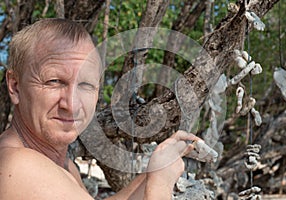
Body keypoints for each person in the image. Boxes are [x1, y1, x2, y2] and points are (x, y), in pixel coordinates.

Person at [0, 18, 203, 199]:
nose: (71, 105)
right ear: (15, 86)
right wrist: (161, 184)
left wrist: (154, 172)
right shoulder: (17, 166)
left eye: (86, 85)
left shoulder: (61, 165)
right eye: (54, 81)